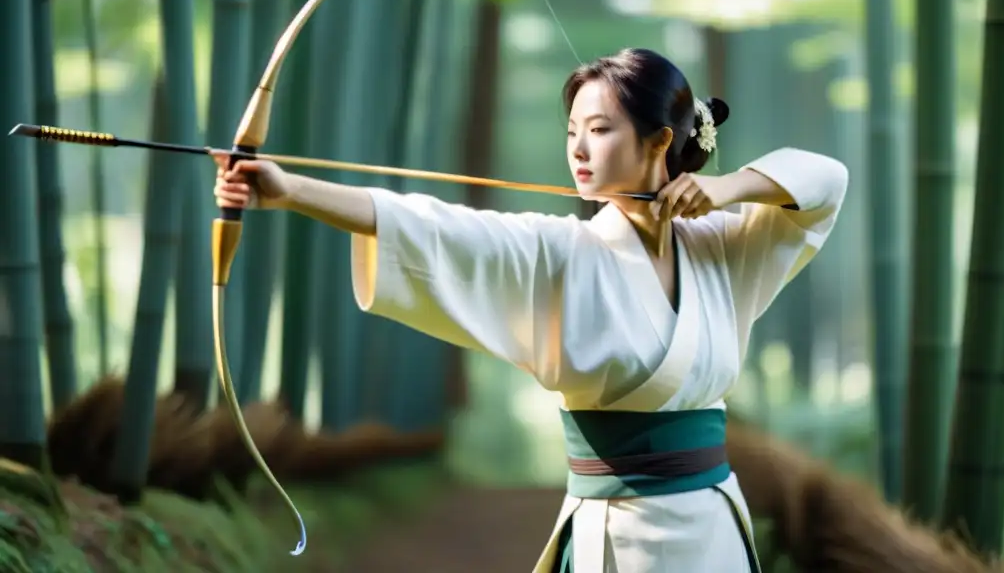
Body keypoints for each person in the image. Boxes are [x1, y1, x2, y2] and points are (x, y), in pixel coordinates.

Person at [214, 47, 848, 572]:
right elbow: (435, 227)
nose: (577, 148)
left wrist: (727, 187)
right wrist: (290, 190)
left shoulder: (725, 247)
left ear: (659, 141)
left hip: (713, 529)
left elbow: (825, 179)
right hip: (618, 538)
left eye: (599, 130)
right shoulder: (561, 250)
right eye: (571, 131)